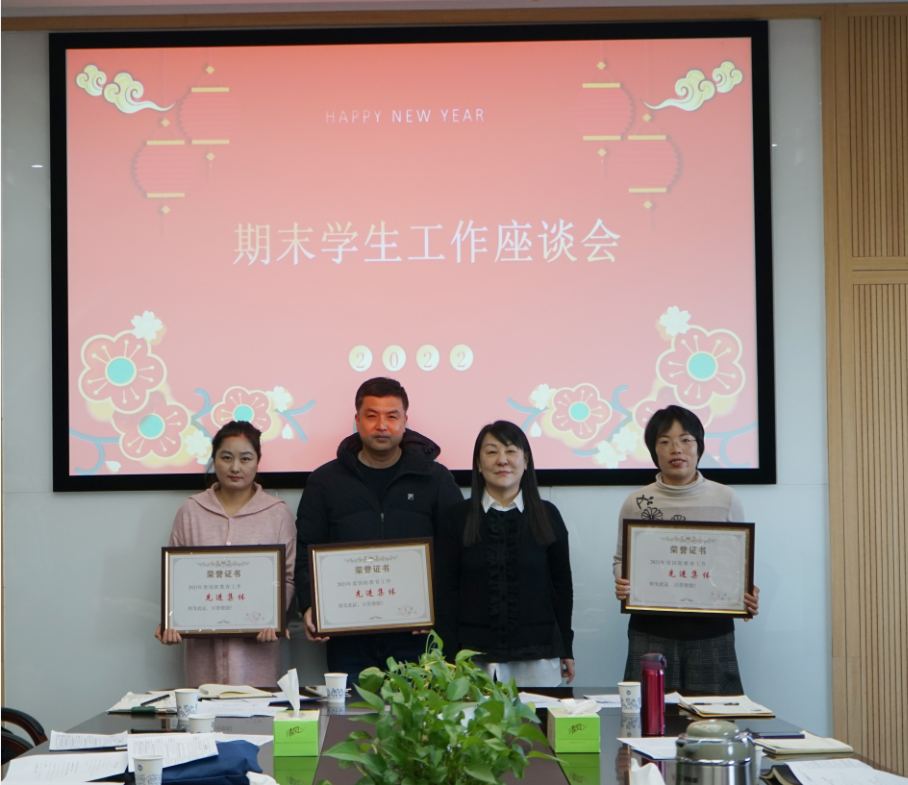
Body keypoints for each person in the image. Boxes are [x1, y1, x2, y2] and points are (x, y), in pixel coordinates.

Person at [295, 377, 463, 676]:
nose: (381, 426)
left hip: (418, 637)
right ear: (357, 420)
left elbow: (456, 551)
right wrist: (310, 605)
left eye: (392, 416)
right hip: (348, 637)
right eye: (371, 416)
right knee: (352, 707)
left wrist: (437, 608)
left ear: (405, 421)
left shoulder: (436, 480)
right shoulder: (325, 482)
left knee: (418, 708)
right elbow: (306, 548)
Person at [613, 405, 759, 694]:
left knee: (712, 715)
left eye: (685, 440)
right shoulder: (637, 502)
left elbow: (736, 562)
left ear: (699, 447)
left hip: (711, 630)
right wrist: (623, 581)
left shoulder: (726, 499)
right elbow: (621, 559)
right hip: (651, 629)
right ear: (654, 451)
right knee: (650, 713)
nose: (675, 449)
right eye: (664, 441)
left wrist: (744, 594)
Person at [155, 421, 296, 688]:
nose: (235, 467)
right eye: (227, 457)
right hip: (202, 656)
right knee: (204, 711)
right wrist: (171, 620)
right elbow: (177, 577)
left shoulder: (277, 513)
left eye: (245, 459)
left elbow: (287, 577)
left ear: (258, 462)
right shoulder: (191, 511)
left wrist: (274, 616)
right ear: (214, 459)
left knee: (256, 711)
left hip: (257, 654)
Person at [435, 420, 575, 687]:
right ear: (478, 463)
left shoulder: (548, 515)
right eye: (491, 452)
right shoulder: (456, 518)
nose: (502, 460)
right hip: (472, 661)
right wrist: (450, 657)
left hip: (537, 659)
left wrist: (566, 648)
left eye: (511, 451)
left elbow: (562, 588)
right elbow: (445, 592)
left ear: (526, 460)